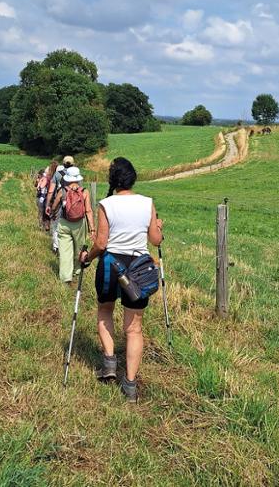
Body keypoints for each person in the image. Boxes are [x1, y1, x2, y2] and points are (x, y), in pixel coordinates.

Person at [80, 157, 162, 402]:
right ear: (133, 178)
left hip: (111, 266)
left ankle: (109, 364)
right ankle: (130, 386)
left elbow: (102, 243)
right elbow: (156, 240)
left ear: (113, 180)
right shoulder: (147, 203)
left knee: (105, 311)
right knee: (134, 328)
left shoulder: (106, 204)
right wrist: (159, 226)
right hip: (139, 269)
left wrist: (87, 257)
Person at [50, 166, 95, 285]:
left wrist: (53, 213)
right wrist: (92, 228)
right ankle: (77, 270)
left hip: (64, 223)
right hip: (79, 224)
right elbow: (88, 211)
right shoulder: (84, 191)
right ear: (79, 178)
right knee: (79, 248)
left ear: (67, 178)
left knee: (65, 250)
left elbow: (54, 206)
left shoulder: (62, 191)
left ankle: (65, 277)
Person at [46, 155, 74, 253]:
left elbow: (50, 191)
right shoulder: (76, 174)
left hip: (60, 201)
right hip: (73, 203)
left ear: (63, 164)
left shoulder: (58, 174)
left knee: (56, 224)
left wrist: (48, 204)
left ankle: (56, 247)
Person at [36, 165, 54, 230]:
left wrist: (40, 182)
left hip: (43, 197)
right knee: (48, 212)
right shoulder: (52, 179)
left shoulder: (45, 179)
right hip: (51, 197)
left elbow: (40, 187)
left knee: (42, 211)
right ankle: (48, 226)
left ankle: (42, 226)